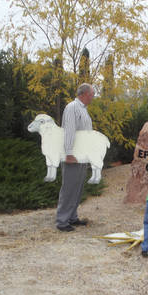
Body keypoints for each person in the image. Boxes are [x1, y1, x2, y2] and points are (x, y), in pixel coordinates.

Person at [55, 83, 95, 232]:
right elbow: (69, 131)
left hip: (81, 155)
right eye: (92, 94)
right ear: (84, 94)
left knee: (77, 188)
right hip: (73, 155)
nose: (93, 97)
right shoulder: (72, 107)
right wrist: (69, 152)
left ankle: (72, 217)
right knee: (69, 188)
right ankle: (62, 221)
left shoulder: (83, 110)